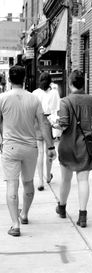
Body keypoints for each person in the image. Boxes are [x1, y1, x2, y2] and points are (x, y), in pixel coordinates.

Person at [0, 65, 56, 236]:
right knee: (28, 183)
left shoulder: (2, 98)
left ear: (10, 79)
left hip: (10, 147)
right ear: (24, 80)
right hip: (30, 148)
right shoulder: (34, 99)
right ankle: (24, 214)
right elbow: (43, 124)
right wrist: (51, 146)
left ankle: (15, 225)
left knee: (12, 184)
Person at [54, 70, 92, 227]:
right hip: (85, 145)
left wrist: (55, 124)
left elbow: (64, 125)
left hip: (68, 146)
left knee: (66, 179)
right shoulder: (90, 100)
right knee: (83, 180)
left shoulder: (65, 101)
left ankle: (62, 208)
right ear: (83, 84)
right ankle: (83, 215)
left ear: (70, 83)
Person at [32, 72, 60, 191]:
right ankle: (48, 176)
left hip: (37, 122)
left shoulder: (35, 93)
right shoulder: (54, 92)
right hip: (48, 121)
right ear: (50, 82)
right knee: (50, 150)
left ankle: (40, 181)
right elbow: (57, 110)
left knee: (40, 152)